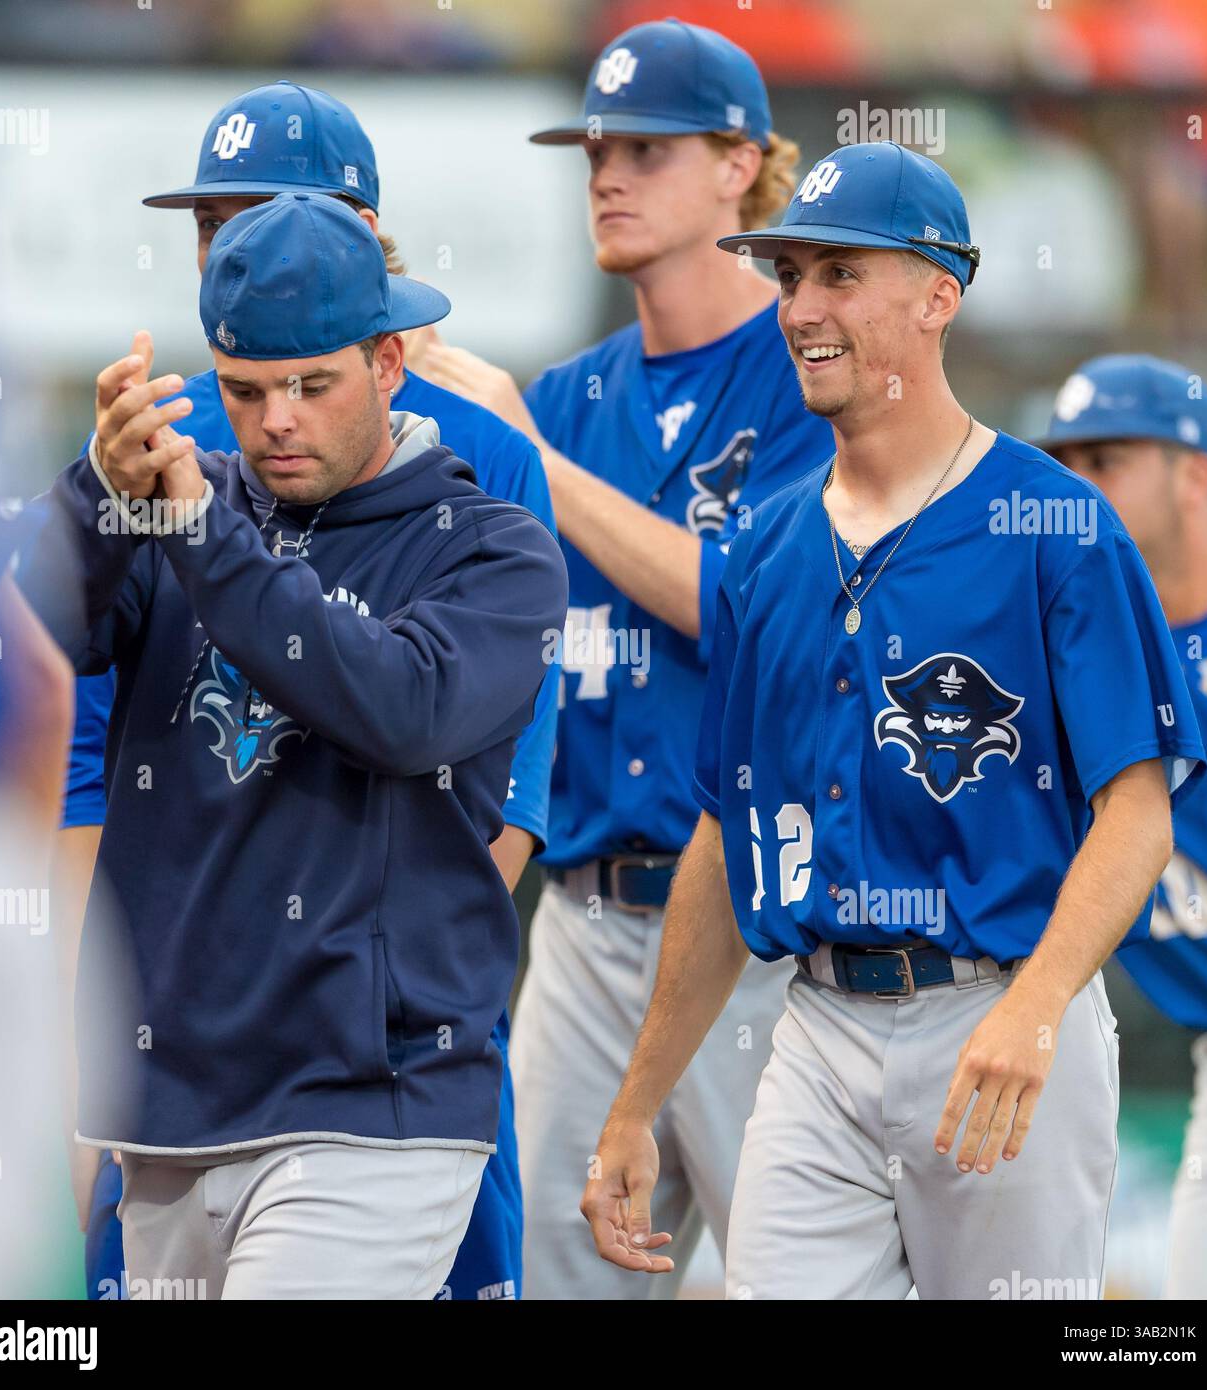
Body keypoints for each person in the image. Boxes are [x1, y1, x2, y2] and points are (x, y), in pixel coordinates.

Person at [580, 141, 1206, 1300]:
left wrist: (1036, 1006)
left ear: (937, 294)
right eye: (788, 278)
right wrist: (636, 1102)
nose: (803, 308)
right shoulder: (763, 546)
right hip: (814, 1025)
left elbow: (1136, 813)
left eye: (839, 274)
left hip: (1005, 1014)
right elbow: (723, 834)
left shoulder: (1052, 523)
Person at [21, 191, 567, 1299]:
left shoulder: (494, 548)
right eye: (245, 390)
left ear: (389, 359)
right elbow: (28, 640)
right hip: (172, 1102)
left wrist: (191, 530)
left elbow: (402, 711)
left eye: (313, 385)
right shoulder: (184, 505)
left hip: (375, 1107)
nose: (275, 419)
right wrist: (97, 492)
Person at [411, 17, 833, 1299]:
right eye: (595, 146)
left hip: (759, 927)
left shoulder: (807, 360)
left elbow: (748, 607)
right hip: (585, 924)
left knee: (795, 1278)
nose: (606, 172)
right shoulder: (572, 391)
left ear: (737, 163)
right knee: (544, 1276)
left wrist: (527, 458)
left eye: (645, 147)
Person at [1043, 354, 1207, 1300]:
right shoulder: (1054, 666)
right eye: (1066, 464)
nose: (1078, 488)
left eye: (1108, 459)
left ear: (1196, 473)